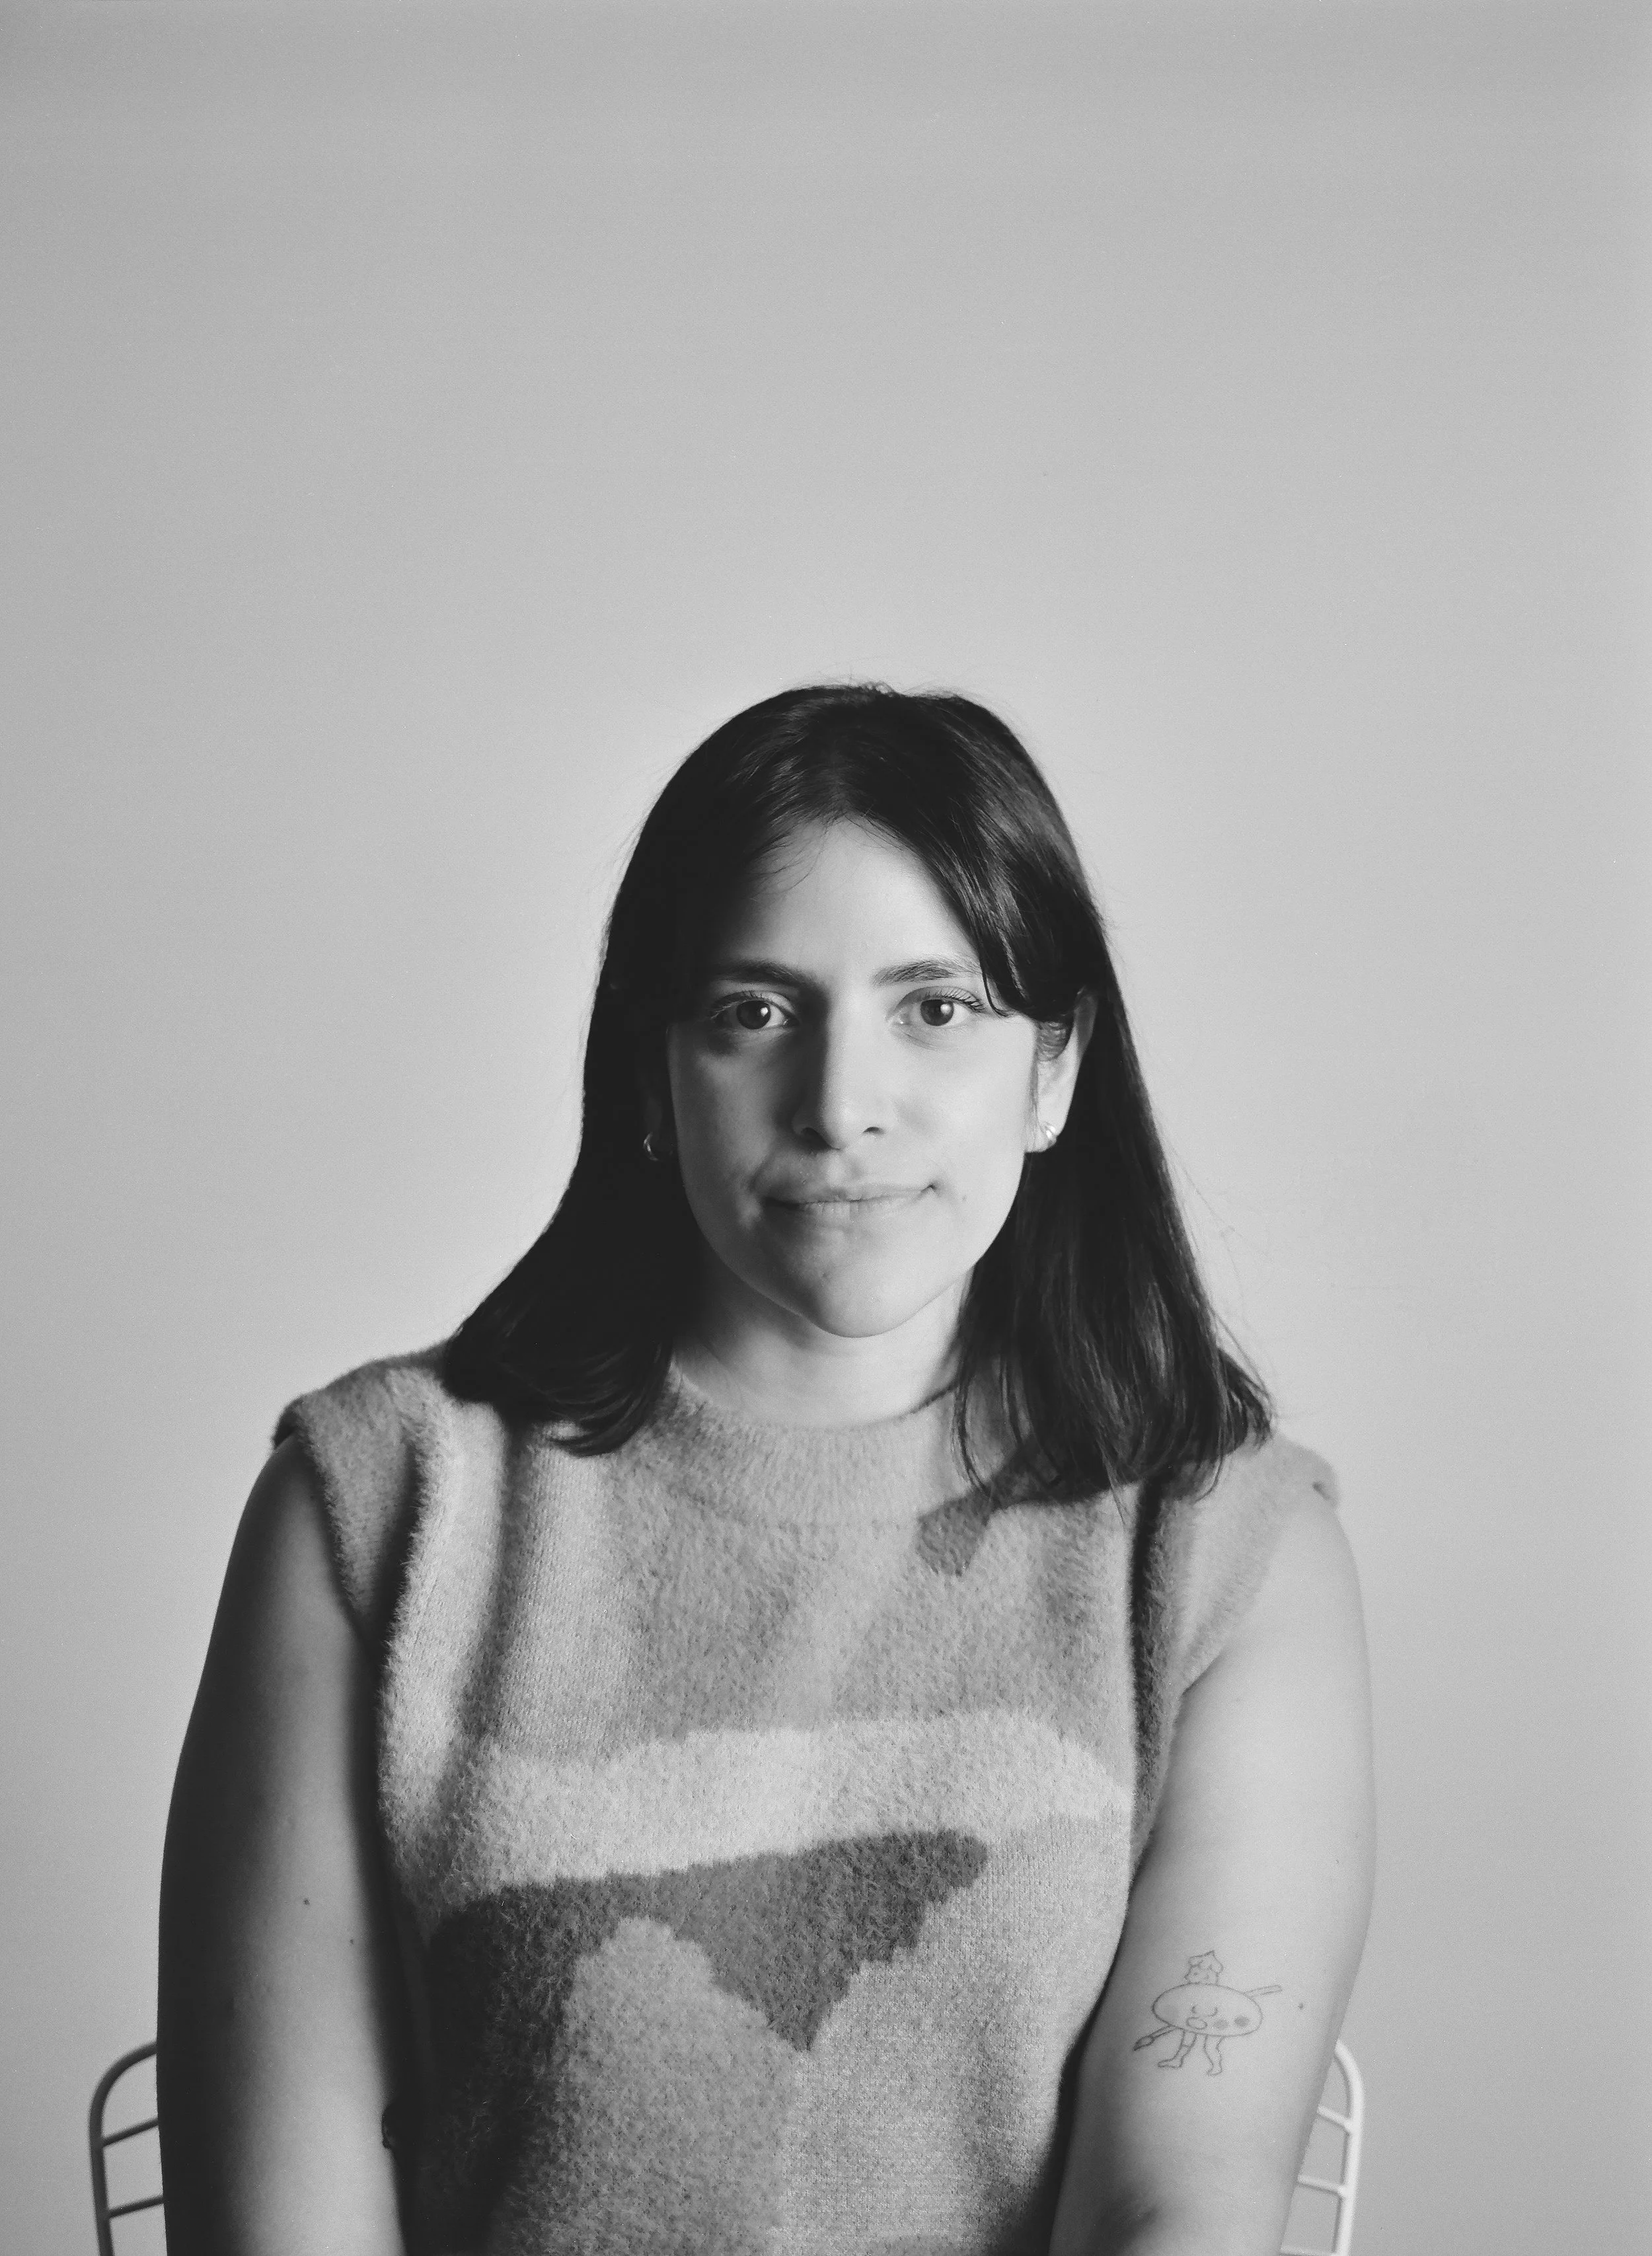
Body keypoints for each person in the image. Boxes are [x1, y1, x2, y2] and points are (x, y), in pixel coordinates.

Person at [157, 683, 1374, 2256]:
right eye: (753, 1012)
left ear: (1052, 1071)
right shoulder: (379, 1504)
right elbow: (277, 2222)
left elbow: (1174, 2203)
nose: (840, 1106)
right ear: (650, 1074)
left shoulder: (1224, 1551)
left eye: (936, 1009)